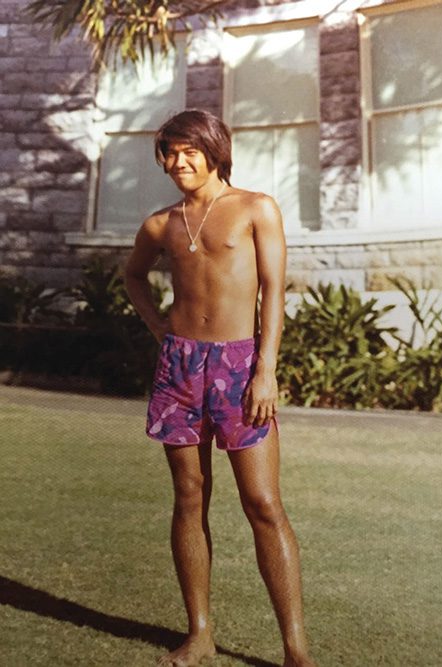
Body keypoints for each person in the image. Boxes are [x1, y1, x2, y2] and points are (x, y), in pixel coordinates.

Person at [125, 109, 315, 667]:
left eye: (188, 151)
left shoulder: (256, 209)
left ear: (214, 150)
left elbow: (274, 292)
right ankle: (200, 635)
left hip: (240, 366)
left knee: (263, 503)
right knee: (188, 498)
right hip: (179, 369)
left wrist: (266, 369)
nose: (178, 162)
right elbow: (133, 276)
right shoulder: (161, 224)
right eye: (169, 153)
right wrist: (159, 326)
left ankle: (295, 648)